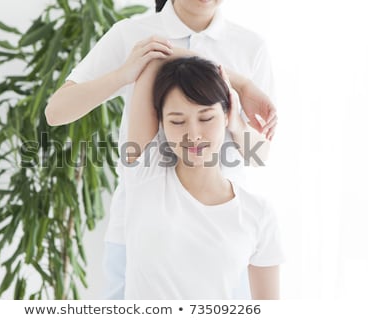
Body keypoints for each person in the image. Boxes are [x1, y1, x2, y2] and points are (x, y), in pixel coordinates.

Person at [45, 0, 277, 299]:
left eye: (206, 117)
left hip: (226, 236)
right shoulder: (131, 34)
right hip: (143, 229)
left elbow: (261, 153)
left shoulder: (250, 46)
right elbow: (56, 112)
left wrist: (236, 116)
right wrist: (123, 74)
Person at [123, 55, 284, 299]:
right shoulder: (145, 174)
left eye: (206, 118)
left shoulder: (257, 214)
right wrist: (243, 84)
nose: (193, 134)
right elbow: (154, 57)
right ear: (161, 123)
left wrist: (238, 111)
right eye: (177, 121)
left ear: (228, 114)